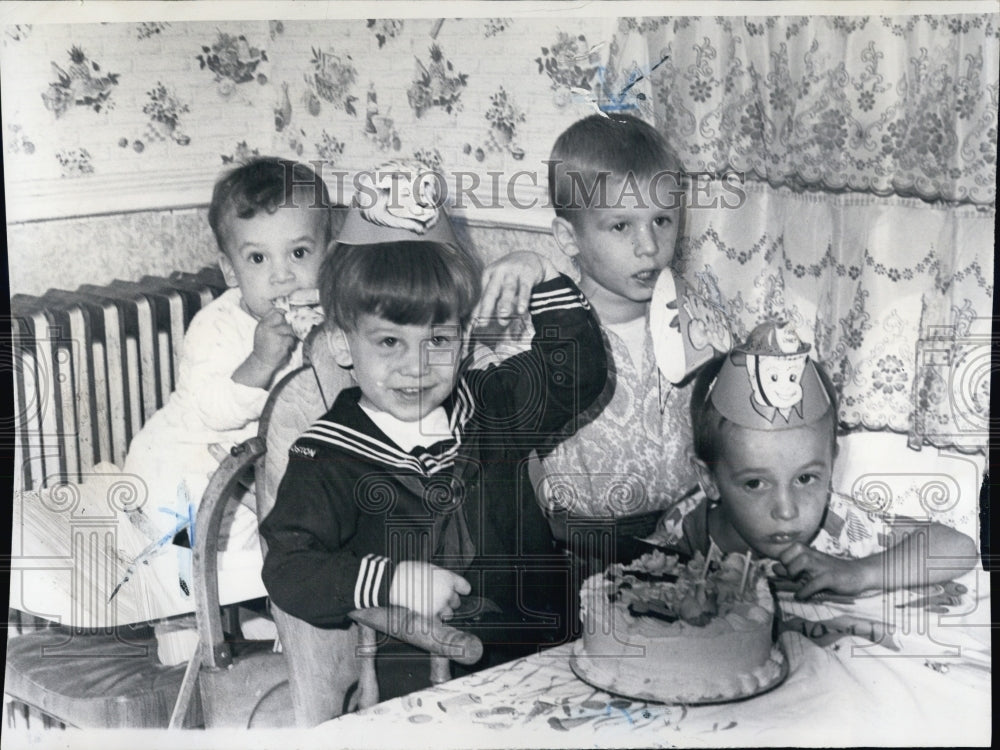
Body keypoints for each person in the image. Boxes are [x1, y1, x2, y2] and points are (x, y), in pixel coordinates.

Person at [260, 166, 607, 701]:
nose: (417, 366)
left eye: (438, 340)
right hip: (427, 694)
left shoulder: (491, 407)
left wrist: (542, 275)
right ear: (342, 344)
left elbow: (577, 374)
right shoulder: (328, 456)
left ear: (464, 340)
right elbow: (289, 566)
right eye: (389, 342)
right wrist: (392, 581)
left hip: (552, 661)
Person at [122, 156, 340, 664]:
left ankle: (261, 620)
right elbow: (213, 409)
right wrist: (262, 360)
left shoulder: (329, 320)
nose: (282, 276)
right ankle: (180, 638)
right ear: (230, 269)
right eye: (258, 259)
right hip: (182, 465)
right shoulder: (216, 325)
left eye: (299, 253)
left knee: (274, 541)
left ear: (328, 255)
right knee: (182, 560)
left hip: (252, 470)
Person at [650, 320, 978, 601]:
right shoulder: (684, 530)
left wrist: (859, 573)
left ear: (831, 462)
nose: (787, 510)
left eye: (805, 478)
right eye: (755, 483)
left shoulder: (839, 524)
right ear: (709, 480)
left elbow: (958, 547)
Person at [529, 112, 699, 530]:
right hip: (583, 542)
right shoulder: (546, 333)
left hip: (684, 534)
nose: (649, 246)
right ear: (569, 238)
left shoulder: (694, 316)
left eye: (661, 220)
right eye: (621, 225)